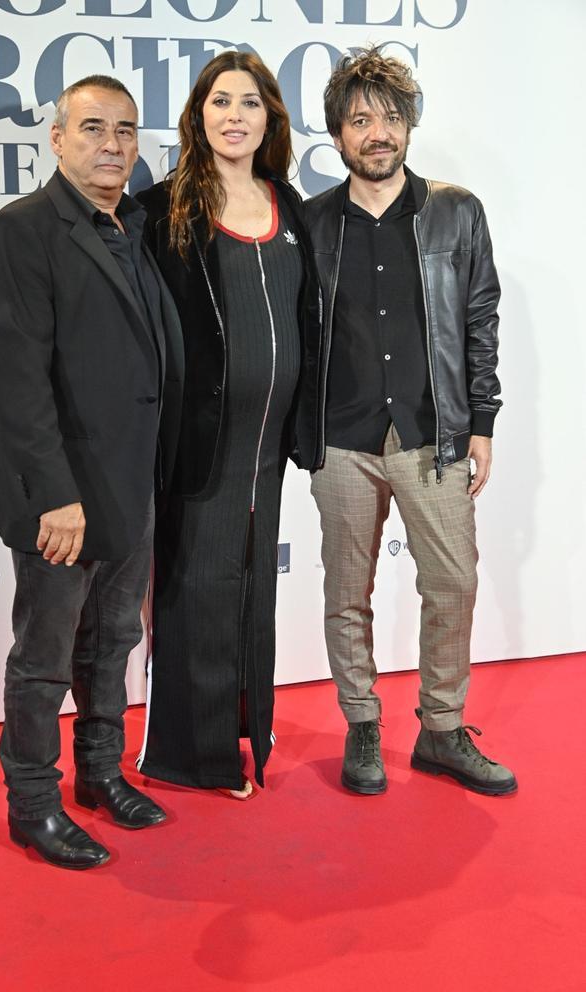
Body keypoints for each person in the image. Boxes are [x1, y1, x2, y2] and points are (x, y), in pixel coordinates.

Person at [0, 75, 184, 868]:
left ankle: (98, 776)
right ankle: (32, 805)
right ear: (56, 139)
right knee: (46, 657)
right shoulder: (22, 230)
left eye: (126, 131)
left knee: (115, 640)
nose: (113, 145)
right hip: (60, 492)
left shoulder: (133, 226)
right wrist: (56, 495)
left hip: (130, 483)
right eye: (93, 128)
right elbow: (17, 380)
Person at [305, 46, 517, 797]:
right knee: (344, 593)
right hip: (340, 441)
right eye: (360, 120)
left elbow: (479, 321)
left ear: (409, 127)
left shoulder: (457, 212)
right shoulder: (310, 225)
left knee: (453, 584)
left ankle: (442, 728)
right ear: (336, 136)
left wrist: (481, 422)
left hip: (434, 437)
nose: (378, 132)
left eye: (391, 117)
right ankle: (362, 724)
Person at [135, 51, 323, 799]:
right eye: (221, 101)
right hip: (197, 444)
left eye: (250, 102)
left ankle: (250, 734)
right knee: (197, 592)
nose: (235, 116)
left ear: (270, 117)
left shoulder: (292, 206)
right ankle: (194, 756)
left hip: (268, 450)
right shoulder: (163, 208)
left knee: (252, 597)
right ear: (198, 114)